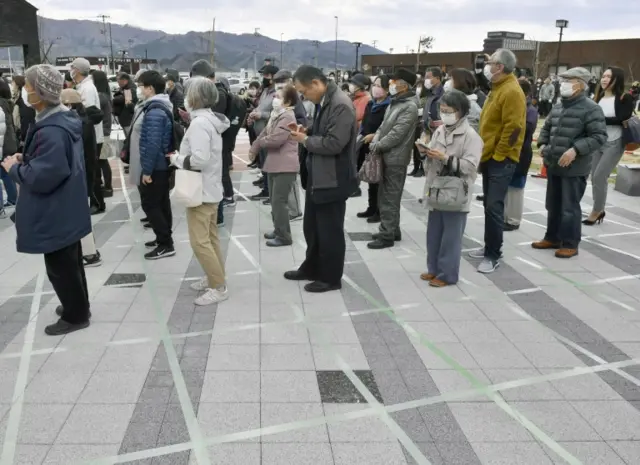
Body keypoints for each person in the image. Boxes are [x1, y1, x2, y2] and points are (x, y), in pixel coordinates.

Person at [2, 64, 91, 336]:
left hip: (55, 210)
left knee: (61, 267)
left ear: (40, 92)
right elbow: (52, 162)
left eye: (29, 86)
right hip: (67, 206)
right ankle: (78, 306)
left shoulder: (51, 128)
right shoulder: (61, 120)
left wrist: (13, 168)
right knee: (71, 262)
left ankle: (76, 316)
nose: (25, 90)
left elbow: (44, 176)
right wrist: (25, 158)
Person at [287, 65, 358, 293]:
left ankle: (330, 277)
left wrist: (305, 141)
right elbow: (322, 132)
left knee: (330, 232)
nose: (302, 96)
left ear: (316, 83)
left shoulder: (340, 104)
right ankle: (311, 267)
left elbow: (334, 143)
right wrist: (306, 132)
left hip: (333, 178)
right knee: (313, 228)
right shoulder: (323, 102)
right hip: (318, 176)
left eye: (304, 91)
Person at [532, 67, 607, 258]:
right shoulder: (559, 106)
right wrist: (542, 145)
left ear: (580, 85)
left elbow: (599, 137)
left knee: (569, 207)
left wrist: (576, 149)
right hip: (554, 164)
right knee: (553, 204)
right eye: (563, 79)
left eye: (569, 80)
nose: (563, 83)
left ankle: (570, 243)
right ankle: (553, 237)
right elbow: (547, 128)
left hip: (575, 168)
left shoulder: (591, 108)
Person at [168, 77, 230, 305]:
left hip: (201, 191)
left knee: (199, 242)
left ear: (195, 97)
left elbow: (200, 159)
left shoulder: (200, 124)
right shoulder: (209, 121)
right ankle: (215, 277)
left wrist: (177, 158)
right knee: (211, 238)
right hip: (210, 188)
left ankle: (219, 286)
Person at [415, 89, 482, 287]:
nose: (444, 114)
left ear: (460, 111)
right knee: (434, 233)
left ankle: (447, 274)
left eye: (448, 110)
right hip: (436, 188)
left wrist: (445, 158)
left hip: (455, 192)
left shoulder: (471, 136)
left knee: (451, 237)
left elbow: (470, 167)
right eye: (442, 110)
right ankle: (433, 268)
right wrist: (425, 152)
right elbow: (432, 157)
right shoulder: (440, 130)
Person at [469, 48, 526, 274]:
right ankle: (489, 247)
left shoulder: (511, 90)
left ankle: (493, 254)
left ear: (499, 67)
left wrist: (499, 154)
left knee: (494, 206)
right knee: (489, 205)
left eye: (490, 62)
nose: (487, 65)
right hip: (489, 155)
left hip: (501, 159)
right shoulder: (497, 88)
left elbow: (513, 129)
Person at [366, 69, 419, 249]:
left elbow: (397, 134)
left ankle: (386, 235)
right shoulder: (395, 103)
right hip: (385, 155)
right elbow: (382, 127)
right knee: (385, 195)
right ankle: (392, 229)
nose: (391, 84)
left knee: (390, 197)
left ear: (405, 85)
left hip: (396, 158)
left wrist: (378, 145)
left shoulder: (409, 106)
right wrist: (376, 139)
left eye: (395, 81)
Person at [130, 70, 176, 260]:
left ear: (150, 88)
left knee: (151, 204)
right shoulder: (156, 106)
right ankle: (163, 238)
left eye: (141, 86)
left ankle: (165, 243)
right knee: (162, 203)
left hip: (156, 166)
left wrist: (147, 171)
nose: (139, 89)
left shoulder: (155, 110)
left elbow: (152, 143)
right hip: (159, 165)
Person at [583, 66, 635, 226]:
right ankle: (598, 208)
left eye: (608, 76)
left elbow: (622, 118)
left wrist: (599, 120)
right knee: (594, 176)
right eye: (603, 76)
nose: (604, 79)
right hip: (597, 142)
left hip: (615, 142)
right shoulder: (597, 97)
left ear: (616, 79)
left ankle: (597, 210)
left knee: (600, 175)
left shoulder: (624, 98)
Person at [249, 85, 300, 247]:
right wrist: (255, 147)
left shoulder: (288, 117)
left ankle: (284, 236)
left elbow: (276, 140)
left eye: (279, 97)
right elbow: (266, 132)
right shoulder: (276, 114)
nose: (275, 99)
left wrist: (261, 143)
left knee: (279, 201)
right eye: (275, 96)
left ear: (288, 101)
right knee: (274, 200)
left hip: (285, 165)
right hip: (275, 164)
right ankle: (278, 229)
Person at [190, 60, 233, 226]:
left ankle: (218, 215)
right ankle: (216, 215)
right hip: (215, 142)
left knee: (216, 177)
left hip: (215, 144)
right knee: (215, 177)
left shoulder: (218, 94)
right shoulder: (216, 93)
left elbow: (214, 119)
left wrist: (180, 159)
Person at [70, 58, 106, 215]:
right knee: (91, 168)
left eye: (72, 68)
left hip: (91, 136)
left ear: (77, 70)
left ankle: (97, 202)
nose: (70, 71)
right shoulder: (82, 87)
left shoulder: (87, 89)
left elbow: (90, 114)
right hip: (88, 134)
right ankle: (95, 200)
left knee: (93, 169)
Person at [504, 80, 539, 231]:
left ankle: (513, 220)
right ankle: (505, 217)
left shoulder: (530, 110)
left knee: (516, 188)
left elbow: (526, 130)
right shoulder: (512, 107)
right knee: (506, 187)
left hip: (522, 152)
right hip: (508, 151)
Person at [356, 75, 391, 223]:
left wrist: (375, 136)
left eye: (379, 85)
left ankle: (378, 211)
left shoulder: (389, 106)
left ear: (387, 89)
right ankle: (371, 207)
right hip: (366, 144)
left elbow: (387, 128)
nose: (376, 88)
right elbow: (365, 121)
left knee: (379, 180)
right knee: (371, 177)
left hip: (380, 145)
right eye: (374, 84)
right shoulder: (371, 104)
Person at [247, 64, 279, 200]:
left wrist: (262, 115)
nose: (263, 78)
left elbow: (276, 112)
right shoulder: (265, 91)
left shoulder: (277, 93)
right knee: (264, 161)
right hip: (260, 131)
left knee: (268, 162)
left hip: (269, 132)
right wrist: (253, 113)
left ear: (273, 77)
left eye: (266, 75)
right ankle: (265, 185)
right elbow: (260, 106)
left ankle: (268, 190)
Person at [90, 70, 114, 199]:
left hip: (102, 132)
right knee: (103, 160)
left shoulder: (100, 96)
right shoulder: (105, 95)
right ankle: (108, 186)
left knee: (102, 160)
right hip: (105, 131)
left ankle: (108, 187)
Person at [0, 79, 18, 215]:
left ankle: (11, 199)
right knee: (6, 172)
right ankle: (13, 198)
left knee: (4, 172)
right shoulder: (8, 103)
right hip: (9, 140)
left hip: (4, 142)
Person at [10, 75, 36, 151]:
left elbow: (26, 120)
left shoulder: (24, 101)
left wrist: (23, 138)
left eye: (13, 83)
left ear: (18, 85)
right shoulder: (17, 98)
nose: (12, 85)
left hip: (23, 137)